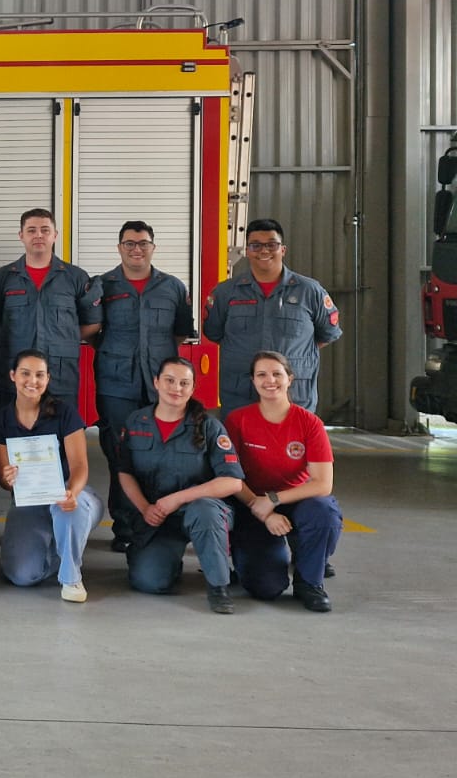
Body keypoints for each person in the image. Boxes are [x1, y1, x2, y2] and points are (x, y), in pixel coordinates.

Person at [91, 221, 195, 552]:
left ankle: (158, 522)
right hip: (116, 384)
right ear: (119, 247)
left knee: (159, 453)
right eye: (129, 243)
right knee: (121, 452)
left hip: (162, 387)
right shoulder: (103, 286)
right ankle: (124, 527)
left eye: (143, 243)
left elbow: (179, 333)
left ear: (153, 247)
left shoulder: (173, 287)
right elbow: (91, 331)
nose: (137, 249)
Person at [112, 357, 245, 613]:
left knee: (204, 510)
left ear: (193, 388)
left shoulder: (209, 426)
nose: (176, 388)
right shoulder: (136, 422)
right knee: (149, 581)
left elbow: (232, 481)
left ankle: (218, 586)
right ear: (156, 383)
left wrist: (179, 498)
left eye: (185, 383)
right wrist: (144, 508)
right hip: (158, 518)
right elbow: (125, 472)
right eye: (170, 381)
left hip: (201, 512)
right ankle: (167, 561)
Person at [223, 351, 343, 612]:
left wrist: (274, 500)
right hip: (252, 504)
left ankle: (309, 581)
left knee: (324, 513)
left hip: (295, 499)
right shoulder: (238, 420)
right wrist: (263, 510)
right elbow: (230, 475)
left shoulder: (309, 423)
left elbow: (323, 484)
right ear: (253, 381)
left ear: (290, 379)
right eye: (262, 375)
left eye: (277, 374)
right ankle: (255, 561)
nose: (270, 380)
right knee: (266, 588)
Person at [0, 349, 104, 602]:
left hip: (69, 494)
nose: (32, 381)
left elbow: (80, 465)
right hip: (29, 502)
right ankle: (62, 552)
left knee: (68, 509)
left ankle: (71, 579)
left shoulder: (64, 413)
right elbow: (6, 484)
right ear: (13, 376)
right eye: (25, 374)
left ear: (48, 379)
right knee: (22, 575)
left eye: (40, 375)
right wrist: (8, 476)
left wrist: (72, 491)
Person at [202, 218, 342, 413]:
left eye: (271, 245)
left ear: (282, 250)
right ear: (247, 251)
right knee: (238, 443)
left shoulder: (310, 292)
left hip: (293, 396)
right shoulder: (225, 293)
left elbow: (326, 334)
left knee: (293, 444)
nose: (264, 251)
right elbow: (214, 332)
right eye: (256, 246)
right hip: (241, 396)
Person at [0, 208, 101, 406]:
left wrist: (64, 338)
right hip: (14, 376)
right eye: (31, 230)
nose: (38, 235)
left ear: (55, 235)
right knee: (13, 433)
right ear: (21, 235)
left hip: (60, 376)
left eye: (45, 230)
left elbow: (92, 322)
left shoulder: (75, 277)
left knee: (61, 432)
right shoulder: (3, 277)